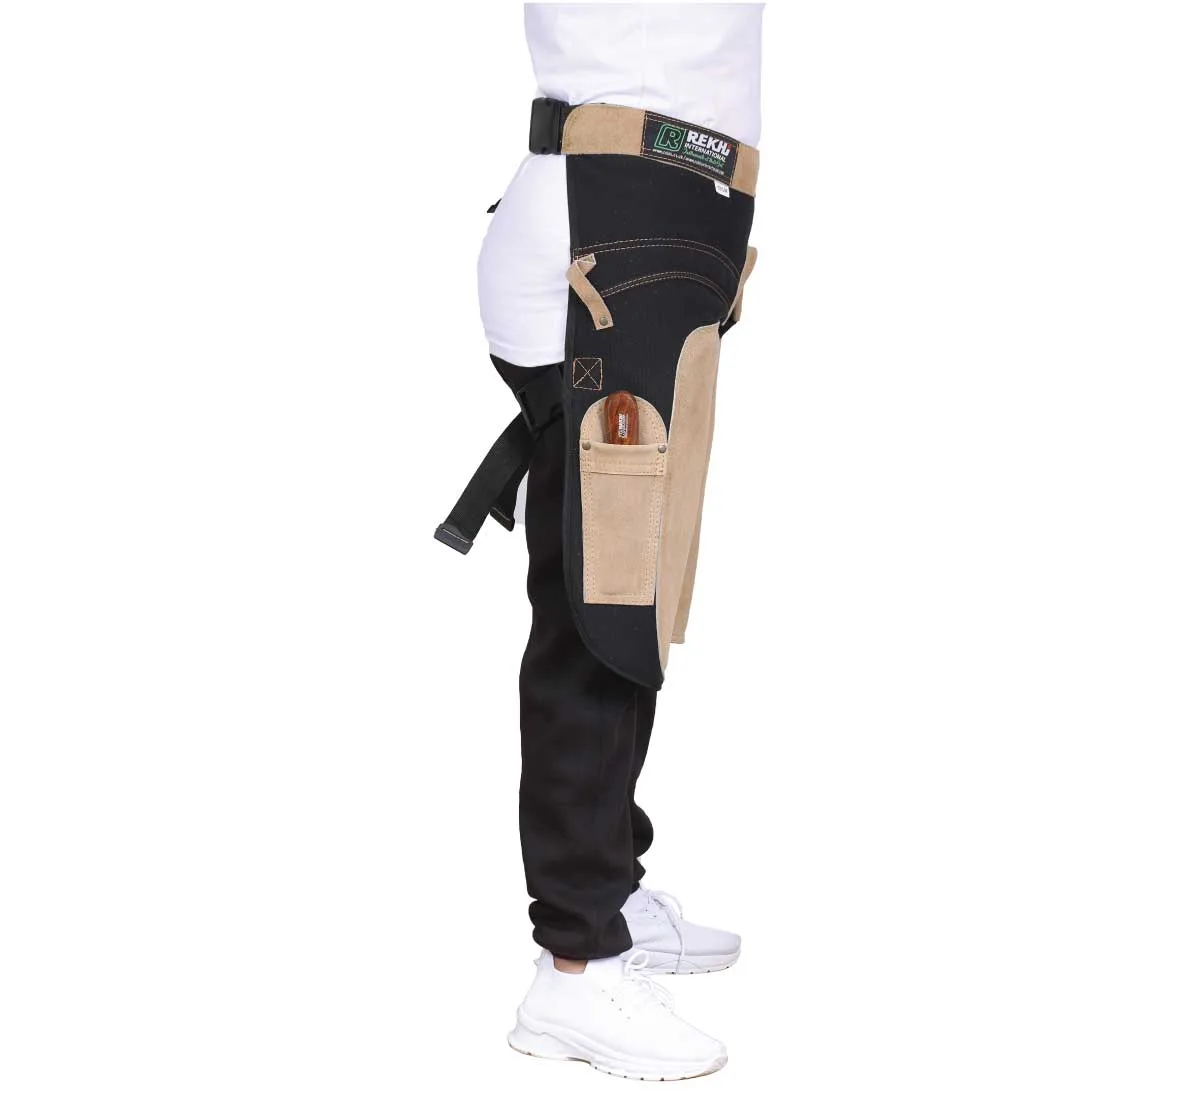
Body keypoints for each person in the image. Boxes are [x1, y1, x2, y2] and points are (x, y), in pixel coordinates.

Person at [438, 2, 763, 1081]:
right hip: (613, 223)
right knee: (602, 608)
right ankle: (575, 964)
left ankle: (609, 888)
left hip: (655, 216)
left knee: (635, 588)